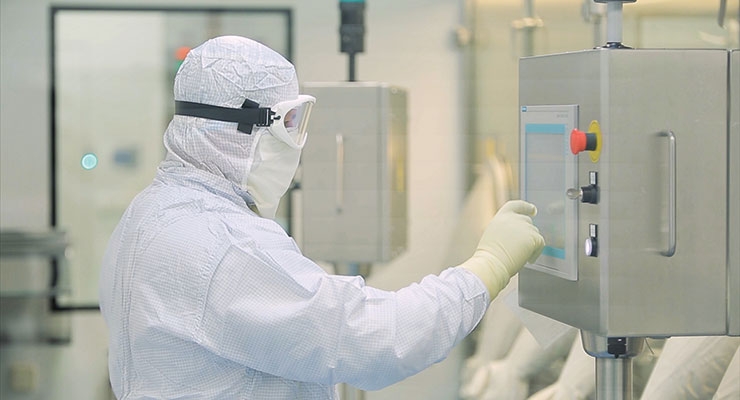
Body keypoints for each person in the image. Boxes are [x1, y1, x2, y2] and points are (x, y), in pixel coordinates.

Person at [98, 35, 545, 399]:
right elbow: (378, 339)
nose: (297, 145)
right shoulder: (225, 246)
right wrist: (488, 266)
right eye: (291, 122)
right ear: (243, 127)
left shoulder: (150, 212)